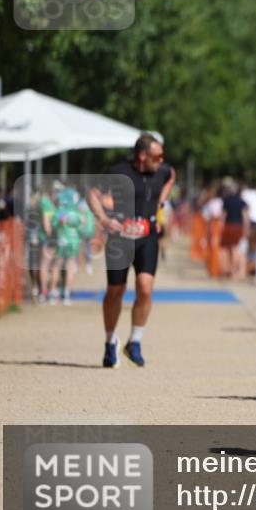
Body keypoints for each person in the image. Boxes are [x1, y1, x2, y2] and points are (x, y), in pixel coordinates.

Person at [88, 132, 175, 368]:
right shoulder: (119, 172)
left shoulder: (162, 171)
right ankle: (109, 342)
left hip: (147, 236)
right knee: (115, 291)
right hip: (120, 238)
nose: (161, 160)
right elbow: (93, 195)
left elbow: (171, 176)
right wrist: (105, 220)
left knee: (145, 288)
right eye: (157, 156)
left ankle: (135, 341)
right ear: (142, 155)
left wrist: (161, 202)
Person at [47, 185, 86, 306]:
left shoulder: (60, 211)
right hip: (74, 242)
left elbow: (53, 223)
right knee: (70, 266)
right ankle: (66, 293)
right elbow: (83, 227)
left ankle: (53, 292)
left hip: (61, 241)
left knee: (57, 265)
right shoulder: (78, 212)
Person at [220, 179, 248, 280]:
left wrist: (220, 227)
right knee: (235, 248)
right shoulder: (242, 202)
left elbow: (223, 216)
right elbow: (245, 217)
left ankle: (228, 269)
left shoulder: (226, 200)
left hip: (228, 226)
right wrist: (246, 229)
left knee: (226, 248)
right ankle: (233, 269)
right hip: (238, 227)